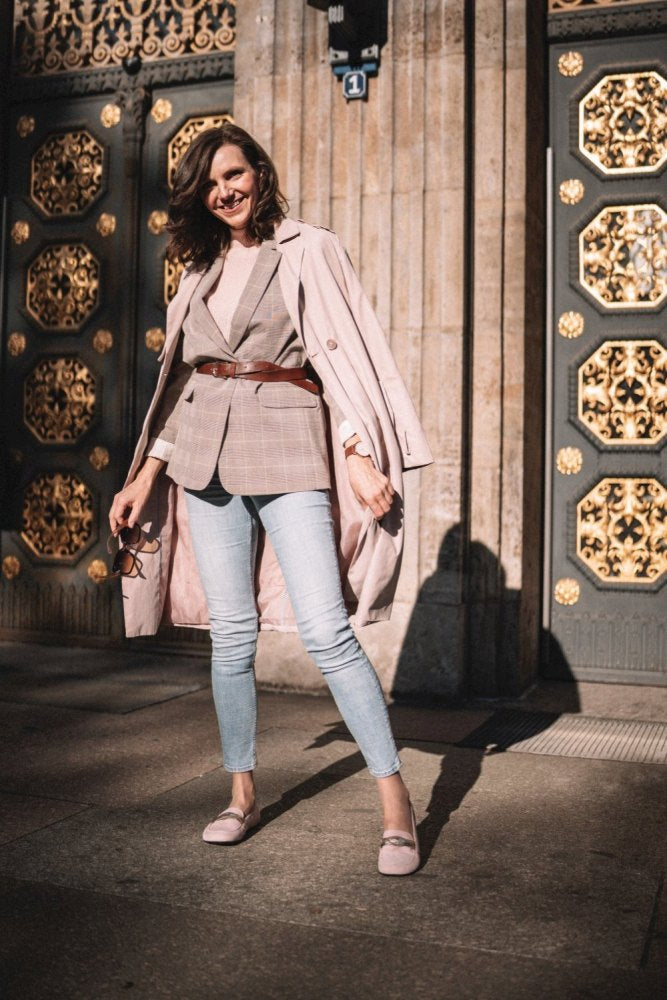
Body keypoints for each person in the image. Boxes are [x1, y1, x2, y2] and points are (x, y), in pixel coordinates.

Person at [109, 124, 433, 876]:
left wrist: (357, 454)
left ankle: (394, 805)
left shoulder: (307, 247)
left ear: (258, 170)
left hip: (289, 451)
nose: (224, 192)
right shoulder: (197, 267)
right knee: (230, 637)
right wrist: (145, 475)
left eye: (234, 174)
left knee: (326, 633)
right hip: (205, 464)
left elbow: (339, 358)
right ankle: (240, 793)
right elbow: (186, 383)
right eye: (208, 184)